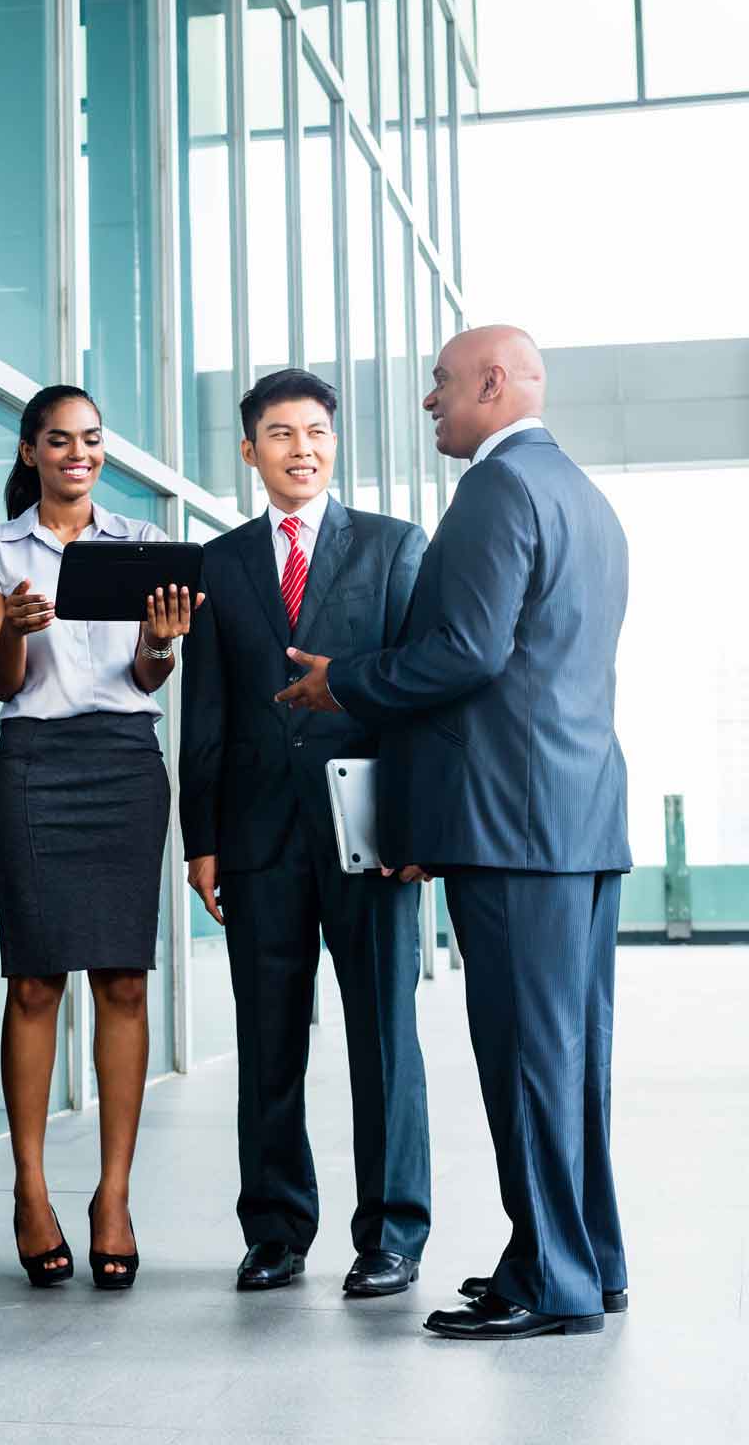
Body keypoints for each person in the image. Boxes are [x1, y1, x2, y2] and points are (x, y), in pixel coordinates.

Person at [280, 325, 630, 1340]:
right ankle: (582, 1258)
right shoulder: (583, 497)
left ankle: (549, 1283)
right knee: (572, 1060)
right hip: (578, 818)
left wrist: (337, 680)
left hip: (514, 829)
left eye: (440, 385)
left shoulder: (497, 489)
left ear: (489, 384)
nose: (430, 402)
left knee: (524, 1057)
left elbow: (466, 655)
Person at [179, 369, 431, 1297]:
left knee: (384, 1040)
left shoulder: (396, 549)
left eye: (316, 431)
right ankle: (277, 1229)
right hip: (256, 835)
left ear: (336, 442)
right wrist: (199, 839)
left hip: (369, 834)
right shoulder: (219, 562)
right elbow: (204, 710)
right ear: (250, 452)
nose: (302, 449)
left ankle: (393, 1234)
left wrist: (418, 827)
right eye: (280, 434)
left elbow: (418, 698)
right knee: (269, 1042)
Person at [0, 384, 196, 1291]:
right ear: (30, 453)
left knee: (125, 981)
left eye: (92, 440)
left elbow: (146, 673)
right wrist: (14, 630)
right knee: (34, 982)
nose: (78, 455)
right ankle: (28, 1191)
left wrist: (164, 645)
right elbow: (1, 682)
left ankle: (114, 1197)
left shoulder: (140, 548)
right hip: (34, 766)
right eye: (59, 442)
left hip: (126, 764)